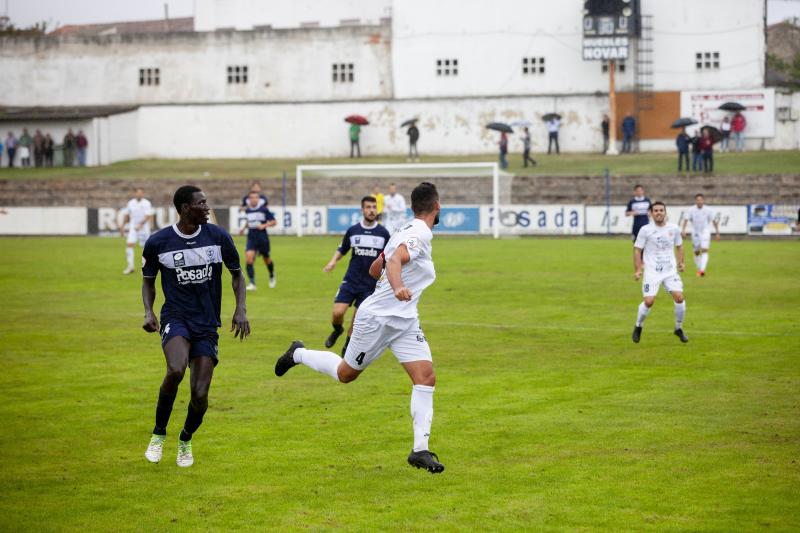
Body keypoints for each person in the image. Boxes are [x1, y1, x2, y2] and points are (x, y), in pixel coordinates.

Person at [274, 182, 445, 474]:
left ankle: (420, 451)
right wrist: (399, 285)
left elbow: (374, 268)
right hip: (378, 318)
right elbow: (393, 262)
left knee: (425, 377)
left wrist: (394, 279)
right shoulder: (419, 233)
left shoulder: (403, 229)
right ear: (437, 206)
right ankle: (298, 353)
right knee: (345, 374)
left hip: (404, 321)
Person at [141, 185, 249, 467]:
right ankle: (158, 434)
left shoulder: (218, 237)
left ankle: (185, 439)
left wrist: (240, 309)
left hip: (207, 323)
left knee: (200, 394)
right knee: (175, 369)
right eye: (202, 203)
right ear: (186, 208)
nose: (207, 207)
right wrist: (148, 312)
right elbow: (148, 280)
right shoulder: (158, 242)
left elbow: (237, 275)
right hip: (176, 317)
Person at [322, 196, 390, 355]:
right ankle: (337, 330)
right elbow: (342, 249)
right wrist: (333, 262)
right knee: (337, 313)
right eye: (368, 207)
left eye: (374, 207)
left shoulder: (383, 233)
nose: (372, 210)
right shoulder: (353, 231)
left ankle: (347, 348)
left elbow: (389, 257)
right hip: (351, 280)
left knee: (357, 318)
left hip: (369, 285)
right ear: (362, 210)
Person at [632, 201, 688, 344]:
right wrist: (638, 270)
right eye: (655, 210)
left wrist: (681, 262)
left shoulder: (674, 228)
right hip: (652, 271)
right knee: (649, 302)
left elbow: (680, 246)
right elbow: (637, 250)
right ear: (651, 213)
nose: (658, 213)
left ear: (665, 212)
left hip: (670, 271)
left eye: (661, 210)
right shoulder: (645, 230)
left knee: (679, 298)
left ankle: (678, 328)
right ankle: (638, 325)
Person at [239, 190, 277, 290]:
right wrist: (243, 228)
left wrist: (264, 225)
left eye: (255, 197)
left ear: (258, 199)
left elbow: (274, 222)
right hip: (251, 236)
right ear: (249, 200)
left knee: (266, 259)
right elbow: (249, 221)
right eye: (251, 198)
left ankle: (272, 274)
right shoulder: (247, 210)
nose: (253, 199)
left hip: (262, 237)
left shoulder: (264, 210)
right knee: (249, 258)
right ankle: (252, 283)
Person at [681, 194, 720, 277]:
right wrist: (683, 230)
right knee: (696, 252)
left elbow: (714, 221)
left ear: (703, 200)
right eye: (698, 200)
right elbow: (686, 220)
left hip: (705, 232)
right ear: (696, 201)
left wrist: (717, 233)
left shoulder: (708, 210)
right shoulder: (691, 210)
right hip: (695, 232)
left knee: (705, 250)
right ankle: (699, 269)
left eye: (701, 200)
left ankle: (702, 270)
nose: (699, 201)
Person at [121, 188, 154, 275]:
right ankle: (130, 267)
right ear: (135, 193)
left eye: (141, 193)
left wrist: (141, 224)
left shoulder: (146, 203)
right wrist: (123, 225)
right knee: (129, 245)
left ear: (143, 194)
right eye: (137, 193)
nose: (139, 195)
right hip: (133, 228)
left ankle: (145, 268)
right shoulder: (130, 203)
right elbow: (127, 215)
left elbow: (147, 216)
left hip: (144, 229)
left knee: (146, 248)